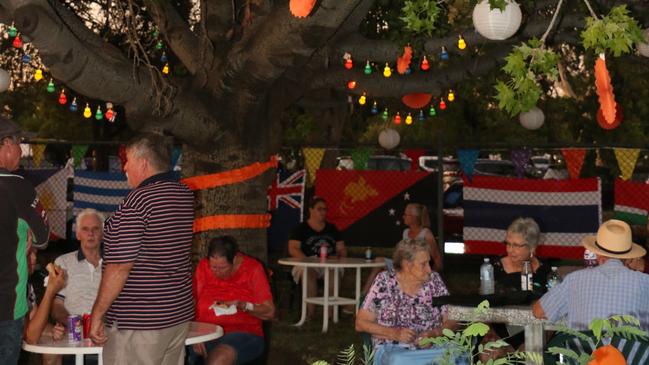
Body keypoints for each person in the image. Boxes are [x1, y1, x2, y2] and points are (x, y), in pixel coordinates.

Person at [89, 133, 195, 365]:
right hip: (176, 316)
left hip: (139, 325)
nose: (124, 167)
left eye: (127, 160)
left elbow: (119, 267)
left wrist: (97, 314)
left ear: (143, 163)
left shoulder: (138, 202)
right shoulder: (184, 195)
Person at [533, 219, 649, 330]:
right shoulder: (645, 282)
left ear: (598, 254)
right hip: (629, 351)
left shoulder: (575, 279)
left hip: (585, 350)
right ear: (628, 259)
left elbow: (538, 311)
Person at [355, 239, 457, 365]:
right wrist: (395, 334)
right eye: (423, 264)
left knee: (458, 355)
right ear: (407, 265)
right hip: (393, 349)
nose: (429, 270)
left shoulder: (434, 281)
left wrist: (434, 334)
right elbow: (361, 323)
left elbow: (452, 318)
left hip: (431, 349)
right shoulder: (385, 282)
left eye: (429, 263)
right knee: (399, 361)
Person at [0, 118, 49, 365]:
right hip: (6, 306)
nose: (21, 150)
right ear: (7, 144)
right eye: (20, 143)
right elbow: (43, 238)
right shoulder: (18, 187)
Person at [189, 236, 275, 365]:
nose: (217, 272)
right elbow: (191, 302)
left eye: (222, 268)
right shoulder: (203, 267)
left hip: (243, 333)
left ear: (234, 259)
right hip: (205, 332)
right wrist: (195, 334)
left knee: (219, 358)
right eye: (213, 267)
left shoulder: (252, 268)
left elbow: (269, 312)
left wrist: (244, 305)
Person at [48, 209, 104, 365]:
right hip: (73, 339)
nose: (90, 234)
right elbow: (55, 305)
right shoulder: (63, 263)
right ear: (78, 235)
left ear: (102, 234)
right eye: (85, 229)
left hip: (107, 339)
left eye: (95, 229)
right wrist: (72, 323)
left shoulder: (114, 266)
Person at [362, 203, 442, 294]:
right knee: (379, 261)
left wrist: (429, 278)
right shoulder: (405, 232)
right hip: (403, 267)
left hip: (417, 271)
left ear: (414, 217)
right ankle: (364, 296)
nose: (403, 217)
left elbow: (437, 259)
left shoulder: (426, 234)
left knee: (388, 274)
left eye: (406, 215)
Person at [288, 196, 347, 317]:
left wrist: (339, 256)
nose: (323, 212)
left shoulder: (332, 228)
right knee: (308, 273)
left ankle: (331, 315)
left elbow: (342, 249)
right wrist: (308, 261)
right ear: (311, 210)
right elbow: (293, 249)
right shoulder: (301, 228)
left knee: (333, 274)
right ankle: (310, 314)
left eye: (325, 209)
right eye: (319, 209)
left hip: (330, 263)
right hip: (307, 263)